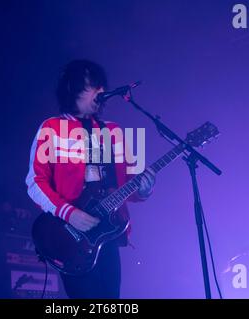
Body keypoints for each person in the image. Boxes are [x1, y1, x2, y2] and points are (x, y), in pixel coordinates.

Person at [25, 59, 155, 298]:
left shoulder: (113, 131)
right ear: (72, 89)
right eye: (92, 86)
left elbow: (130, 187)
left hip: (109, 234)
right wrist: (68, 213)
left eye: (101, 85)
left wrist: (144, 190)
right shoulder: (51, 128)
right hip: (69, 236)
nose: (101, 91)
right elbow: (35, 183)